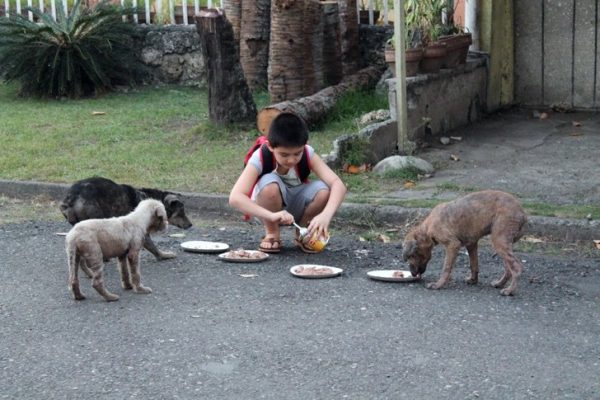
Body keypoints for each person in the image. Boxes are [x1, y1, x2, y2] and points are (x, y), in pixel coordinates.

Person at [229, 112, 347, 253]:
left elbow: (338, 184)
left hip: (297, 205)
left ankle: (303, 233)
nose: (291, 160)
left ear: (304, 146)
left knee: (324, 191)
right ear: (271, 146)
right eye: (284, 155)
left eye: (297, 153)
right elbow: (235, 197)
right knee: (269, 186)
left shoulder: (308, 153)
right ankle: (272, 233)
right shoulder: (260, 156)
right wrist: (271, 216)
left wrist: (326, 215)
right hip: (267, 209)